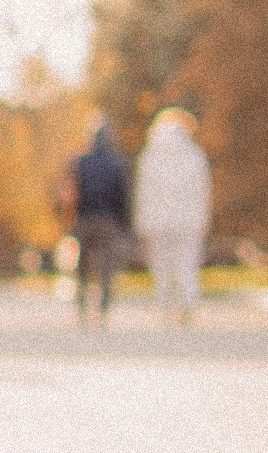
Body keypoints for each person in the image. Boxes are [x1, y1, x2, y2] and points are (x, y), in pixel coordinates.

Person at [133, 107, 213, 323]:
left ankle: (165, 307)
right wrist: (203, 221)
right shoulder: (195, 156)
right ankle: (187, 305)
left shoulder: (149, 156)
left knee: (161, 267)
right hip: (189, 221)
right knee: (187, 266)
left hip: (157, 222)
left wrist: (142, 224)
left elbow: (144, 193)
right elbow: (202, 193)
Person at [68, 120, 132, 321]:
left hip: (84, 219)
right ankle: (103, 307)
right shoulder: (117, 163)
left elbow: (71, 192)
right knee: (106, 267)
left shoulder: (80, 161)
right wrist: (123, 223)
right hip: (108, 220)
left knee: (83, 266)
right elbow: (123, 196)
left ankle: (82, 306)